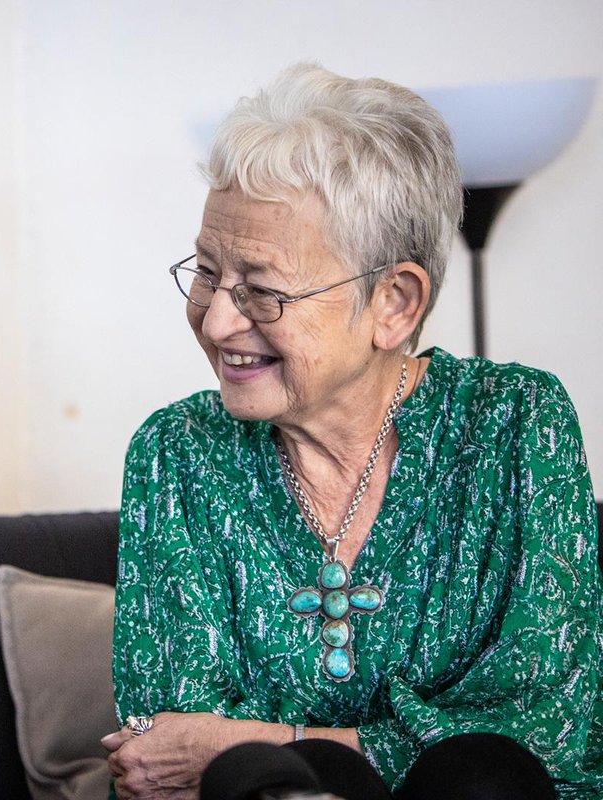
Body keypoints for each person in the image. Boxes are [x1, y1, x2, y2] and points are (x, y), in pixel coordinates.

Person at [102, 64, 602, 799]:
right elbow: (166, 756)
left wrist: (266, 741)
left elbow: (545, 734)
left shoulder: (518, 424)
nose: (216, 321)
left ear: (394, 303)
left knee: (479, 780)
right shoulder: (176, 452)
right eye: (206, 273)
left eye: (262, 291)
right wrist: (270, 755)